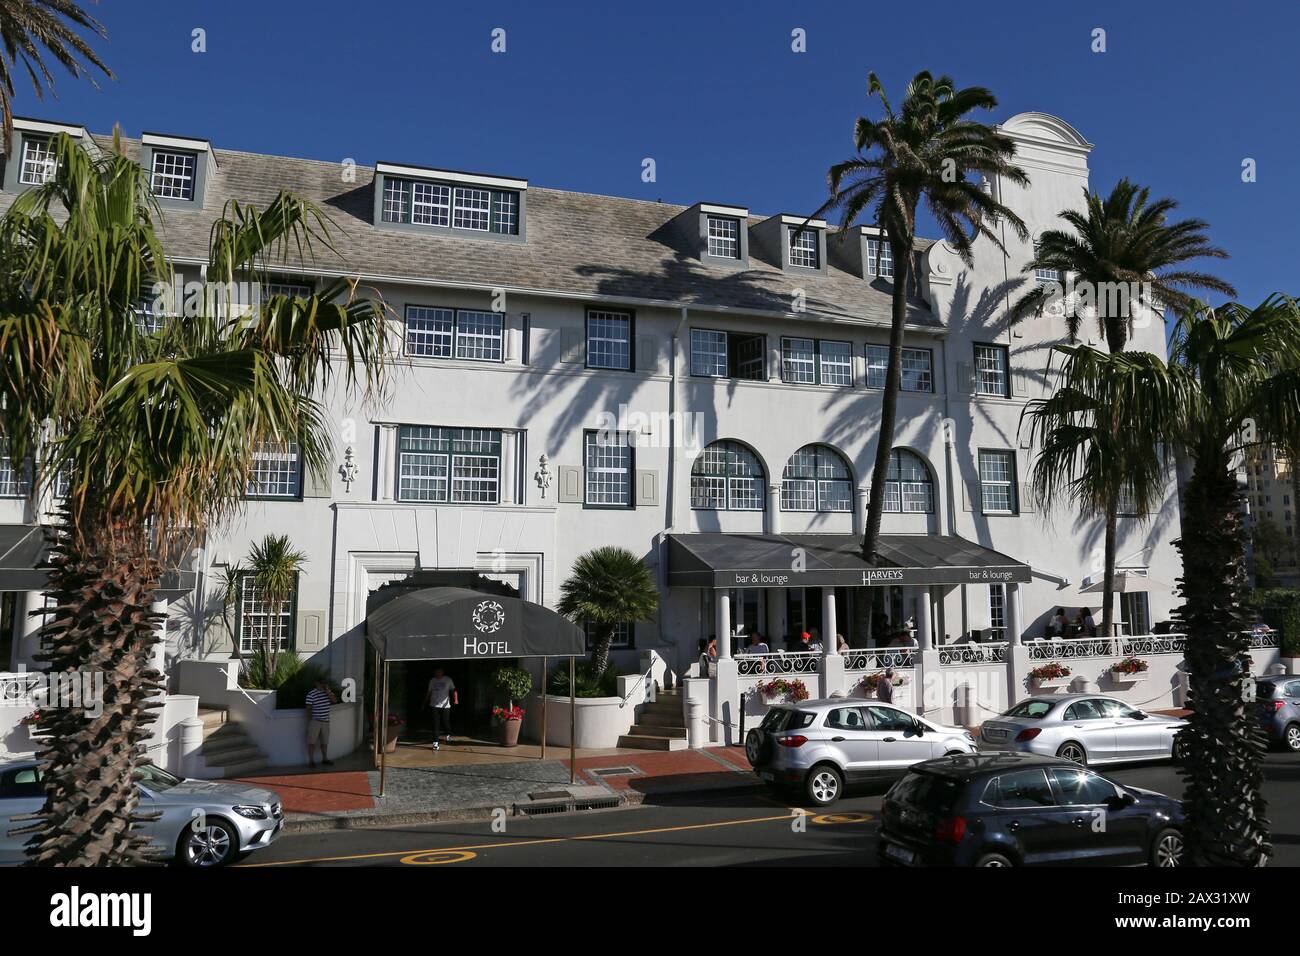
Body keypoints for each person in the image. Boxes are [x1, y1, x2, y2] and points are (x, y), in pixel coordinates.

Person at [304, 677, 337, 769]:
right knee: (312, 742)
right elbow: (308, 708)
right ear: (316, 683)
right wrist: (311, 721)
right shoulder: (311, 694)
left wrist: (328, 692)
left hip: (326, 722)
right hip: (316, 721)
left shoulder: (327, 692)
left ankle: (325, 759)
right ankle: (311, 761)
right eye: (322, 683)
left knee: (324, 742)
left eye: (325, 683)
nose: (324, 684)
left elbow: (334, 701)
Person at [425, 666, 458, 751]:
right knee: (435, 724)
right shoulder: (432, 680)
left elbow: (453, 690)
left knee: (445, 722)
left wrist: (456, 699)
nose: (438, 673)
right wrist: (426, 700)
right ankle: (435, 742)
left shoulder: (448, 679)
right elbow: (429, 691)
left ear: (443, 672)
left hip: (445, 706)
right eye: (436, 672)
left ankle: (448, 734)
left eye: (439, 672)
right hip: (434, 705)